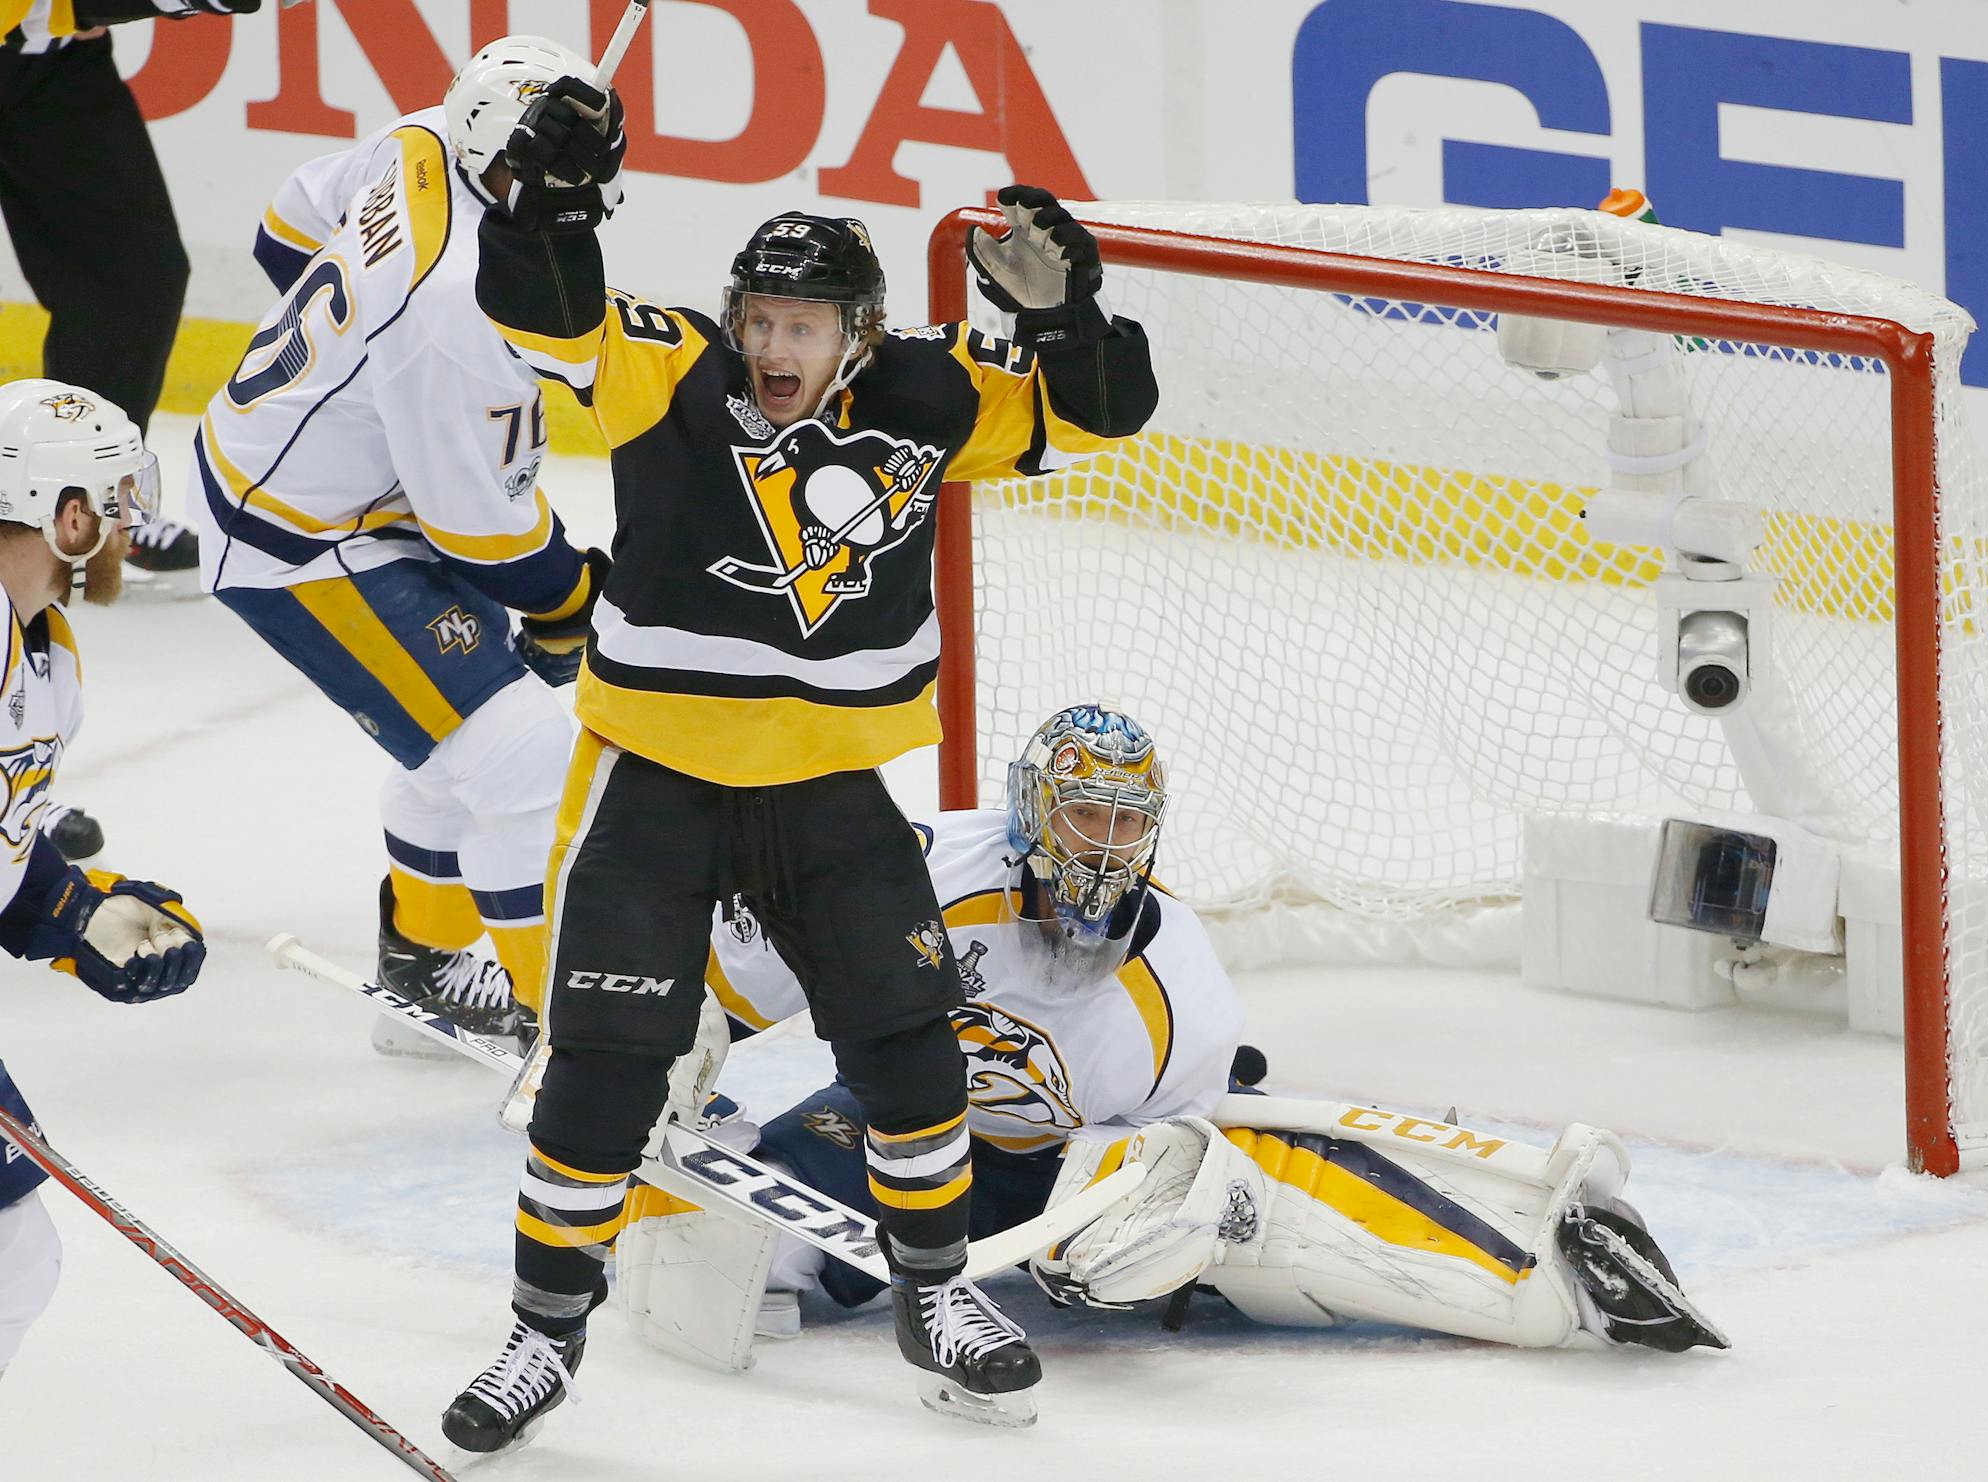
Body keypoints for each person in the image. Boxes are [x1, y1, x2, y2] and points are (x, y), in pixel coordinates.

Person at [438, 77, 1159, 1449]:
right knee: (602, 1065)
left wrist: (1065, 313)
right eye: (759, 321)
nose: (774, 348)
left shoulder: (929, 391)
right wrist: (554, 200)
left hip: (826, 788)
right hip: (653, 774)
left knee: (911, 1049)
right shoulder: (667, 368)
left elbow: (1103, 412)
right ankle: (540, 1337)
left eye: (803, 327)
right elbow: (541, 307)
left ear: (859, 334)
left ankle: (936, 1295)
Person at [614, 707, 1726, 1372]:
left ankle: (1545, 1256)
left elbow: (1155, 1154)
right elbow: (735, 973)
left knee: (1208, 1237)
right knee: (704, 1248)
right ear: (1028, 811)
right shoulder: (918, 874)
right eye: (1081, 813)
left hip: (1072, 1162)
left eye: (1126, 822)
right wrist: (660, 1054)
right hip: (899, 1125)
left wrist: (1164, 1211)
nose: (1103, 845)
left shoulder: (1179, 989)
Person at [182, 38, 613, 1054]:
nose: (577, 188)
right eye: (551, 166)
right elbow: (485, 532)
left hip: (330, 489)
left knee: (462, 726)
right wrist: (571, 597)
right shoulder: (454, 303)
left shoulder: (422, 142)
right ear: (490, 149)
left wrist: (351, 381)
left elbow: (288, 222)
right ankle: (581, 1047)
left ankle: (422, 977)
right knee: (521, 754)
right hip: (303, 540)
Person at [0, 379, 208, 1379]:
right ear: (68, 516)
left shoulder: (47, 653)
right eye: (118, 502)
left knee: (13, 1261)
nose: (134, 527)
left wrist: (72, 908)